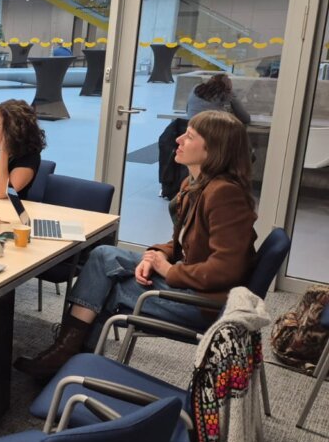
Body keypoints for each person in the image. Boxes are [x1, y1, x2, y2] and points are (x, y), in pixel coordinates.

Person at [14, 110, 258, 380]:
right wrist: (154, 256)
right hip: (190, 283)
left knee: (104, 287)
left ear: (214, 150)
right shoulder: (196, 184)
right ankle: (71, 356)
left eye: (189, 136)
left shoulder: (225, 194)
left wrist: (166, 270)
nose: (177, 140)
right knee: (103, 255)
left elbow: (226, 270)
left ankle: (69, 357)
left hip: (205, 304)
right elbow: (183, 242)